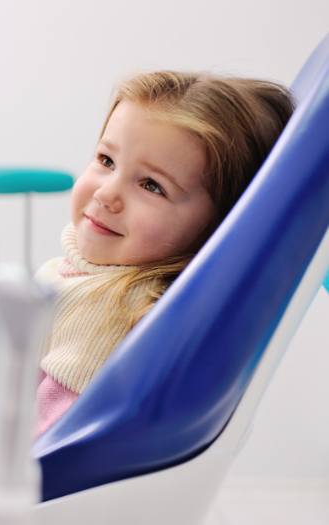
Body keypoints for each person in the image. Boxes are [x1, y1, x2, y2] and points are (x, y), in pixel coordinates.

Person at [34, 70, 294, 436]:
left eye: (152, 186)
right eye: (106, 160)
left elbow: (53, 436)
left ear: (220, 224)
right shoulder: (97, 271)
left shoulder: (116, 311)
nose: (106, 194)